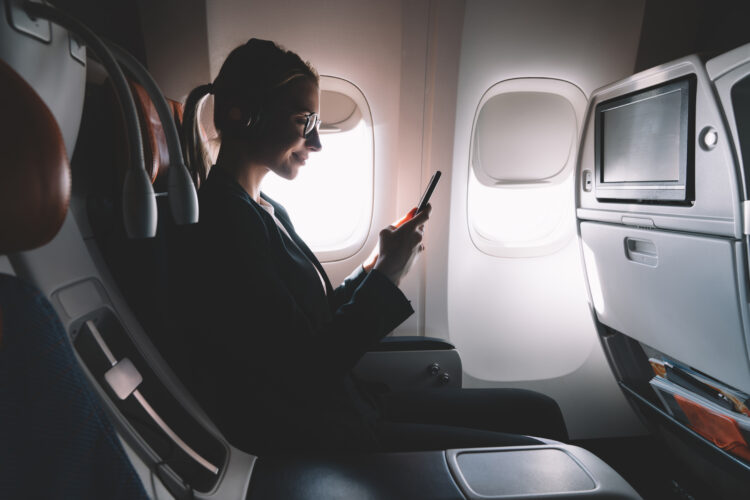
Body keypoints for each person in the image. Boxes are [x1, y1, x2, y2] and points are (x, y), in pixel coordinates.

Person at [178, 38, 567, 455]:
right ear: (245, 117)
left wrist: (371, 266)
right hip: (319, 429)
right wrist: (388, 275)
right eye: (302, 121)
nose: (316, 143)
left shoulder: (264, 208)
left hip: (348, 406)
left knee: (538, 411)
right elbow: (307, 370)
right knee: (537, 433)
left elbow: (312, 319)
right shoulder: (226, 222)